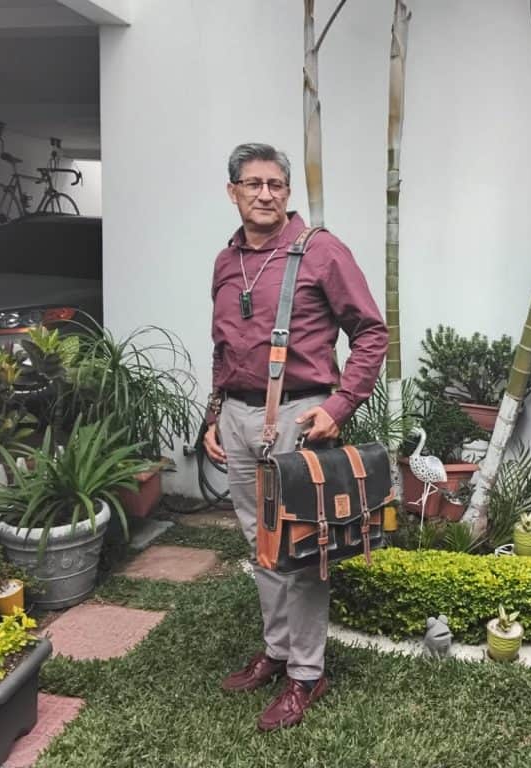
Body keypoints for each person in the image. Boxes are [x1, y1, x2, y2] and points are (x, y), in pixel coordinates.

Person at [204, 143, 387, 732]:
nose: (265, 194)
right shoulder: (224, 262)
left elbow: (371, 333)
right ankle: (277, 651)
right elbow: (224, 348)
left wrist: (340, 404)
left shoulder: (321, 251)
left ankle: (307, 672)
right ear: (232, 191)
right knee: (261, 546)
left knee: (301, 550)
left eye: (276, 184)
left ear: (288, 193)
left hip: (302, 416)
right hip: (237, 417)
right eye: (253, 184)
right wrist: (213, 415)